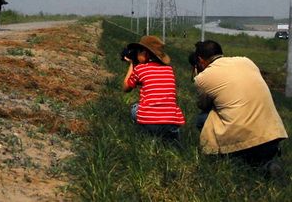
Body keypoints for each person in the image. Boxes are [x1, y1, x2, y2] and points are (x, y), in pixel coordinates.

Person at [192, 40, 287, 169]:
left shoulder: (203, 77)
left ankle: (227, 158)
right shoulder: (246, 61)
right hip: (273, 135)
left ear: (200, 60)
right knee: (258, 161)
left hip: (242, 139)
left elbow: (203, 105)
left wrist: (198, 74)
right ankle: (265, 163)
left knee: (203, 118)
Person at [122, 35, 185, 139]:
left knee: (134, 108)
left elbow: (125, 88)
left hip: (150, 122)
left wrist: (132, 65)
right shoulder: (169, 70)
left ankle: (145, 134)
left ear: (145, 53)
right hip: (172, 122)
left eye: (138, 52)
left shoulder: (140, 69)